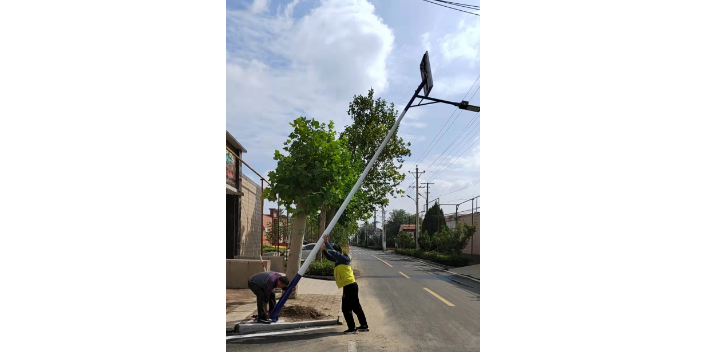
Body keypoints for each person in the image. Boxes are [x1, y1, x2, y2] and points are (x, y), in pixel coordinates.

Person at [322, 235, 369, 334]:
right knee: (356, 307)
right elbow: (331, 257)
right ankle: (364, 325)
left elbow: (333, 253)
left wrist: (326, 243)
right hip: (350, 285)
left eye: (335, 252)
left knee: (346, 308)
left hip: (349, 286)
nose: (334, 255)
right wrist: (324, 251)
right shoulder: (340, 260)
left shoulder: (343, 258)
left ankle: (352, 328)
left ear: (338, 252)